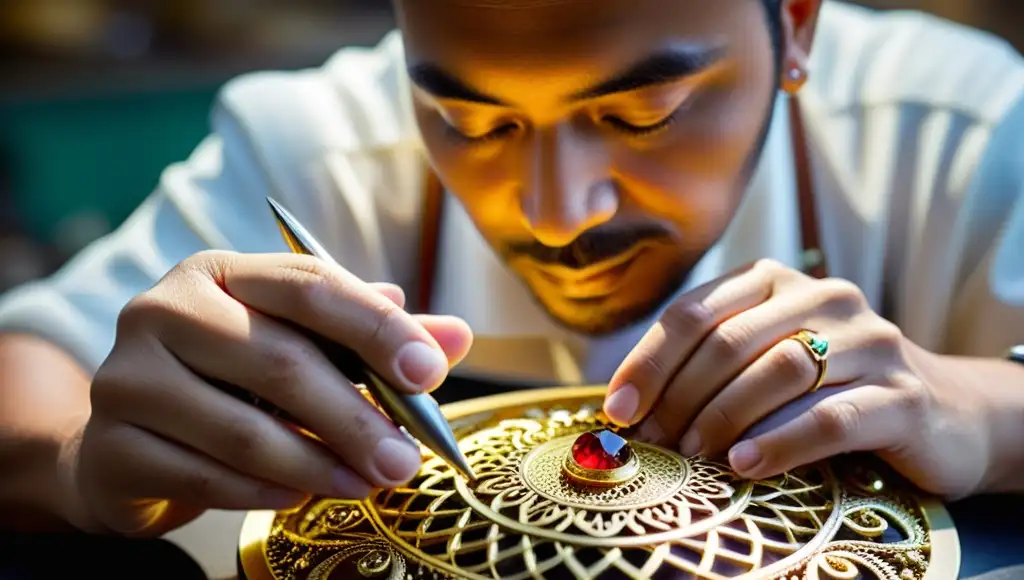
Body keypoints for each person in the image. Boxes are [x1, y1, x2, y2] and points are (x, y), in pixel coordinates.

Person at [0, 0, 1021, 536]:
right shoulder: (318, 148)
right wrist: (80, 454)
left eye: (639, 114)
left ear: (794, 22)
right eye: (470, 119)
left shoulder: (963, 134)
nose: (553, 210)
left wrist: (968, 405)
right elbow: (23, 371)